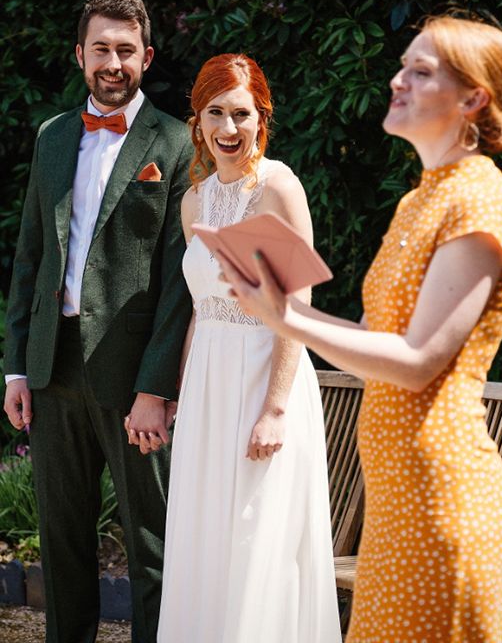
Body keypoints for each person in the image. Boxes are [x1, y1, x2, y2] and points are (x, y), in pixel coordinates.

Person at [216, 14, 502, 642]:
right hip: (394, 506)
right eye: (403, 66)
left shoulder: (480, 200)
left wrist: (285, 316)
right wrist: (277, 303)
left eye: (421, 71)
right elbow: (367, 347)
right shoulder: (420, 200)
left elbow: (418, 361)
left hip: (444, 500)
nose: (397, 80)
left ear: (474, 99)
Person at [2, 0, 192, 643]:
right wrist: (16, 369)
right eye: (102, 49)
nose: (114, 63)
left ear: (147, 58)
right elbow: (30, 256)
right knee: (61, 541)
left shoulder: (176, 142)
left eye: (126, 50)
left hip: (133, 376)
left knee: (150, 544)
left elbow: (179, 284)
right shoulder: (53, 136)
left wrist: (156, 387)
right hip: (53, 365)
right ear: (80, 55)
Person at [152, 53, 341, 643]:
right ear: (198, 121)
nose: (228, 128)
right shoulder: (194, 202)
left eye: (241, 114)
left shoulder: (278, 188)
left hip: (265, 378)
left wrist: (275, 409)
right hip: (208, 386)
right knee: (206, 534)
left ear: (262, 118)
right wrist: (182, 392)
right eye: (215, 113)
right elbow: (200, 309)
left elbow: (297, 301)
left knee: (258, 538)